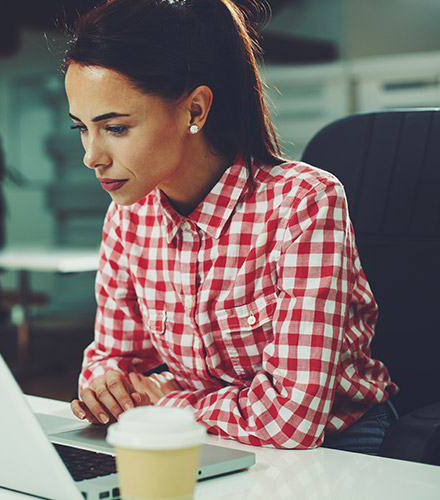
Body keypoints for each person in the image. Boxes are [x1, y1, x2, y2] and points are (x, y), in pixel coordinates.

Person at [63, 0, 397, 453]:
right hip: (205, 436)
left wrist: (166, 404)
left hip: (334, 443)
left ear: (194, 110)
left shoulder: (304, 202)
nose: (91, 156)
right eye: (81, 128)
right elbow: (109, 365)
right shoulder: (129, 215)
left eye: (116, 128)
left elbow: (290, 422)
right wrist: (110, 391)